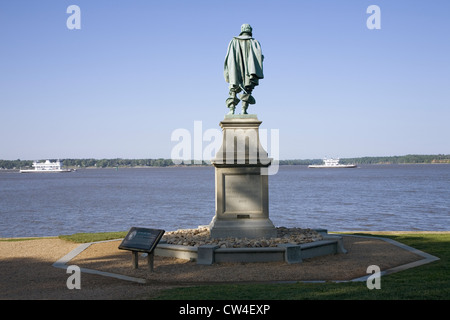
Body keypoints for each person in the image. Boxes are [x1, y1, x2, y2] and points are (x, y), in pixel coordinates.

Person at [224, 24, 264, 115]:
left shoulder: (233, 41)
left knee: (233, 88)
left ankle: (232, 109)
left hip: (235, 68)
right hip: (250, 70)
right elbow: (259, 58)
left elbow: (228, 59)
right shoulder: (254, 42)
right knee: (248, 87)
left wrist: (228, 71)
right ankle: (244, 109)